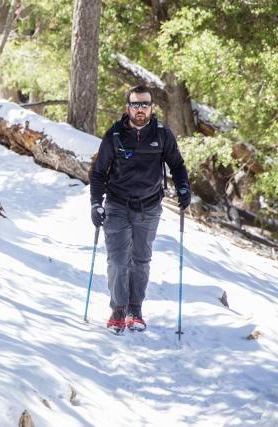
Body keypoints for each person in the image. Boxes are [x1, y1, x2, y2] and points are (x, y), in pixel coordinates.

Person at [89, 85, 191, 334]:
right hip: (117, 205)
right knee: (117, 261)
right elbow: (99, 172)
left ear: (152, 107)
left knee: (141, 261)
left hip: (149, 206)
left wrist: (184, 188)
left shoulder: (162, 134)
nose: (140, 109)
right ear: (128, 107)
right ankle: (118, 311)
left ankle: (135, 310)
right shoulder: (114, 135)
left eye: (145, 104)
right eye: (136, 104)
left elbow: (177, 165)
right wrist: (95, 203)